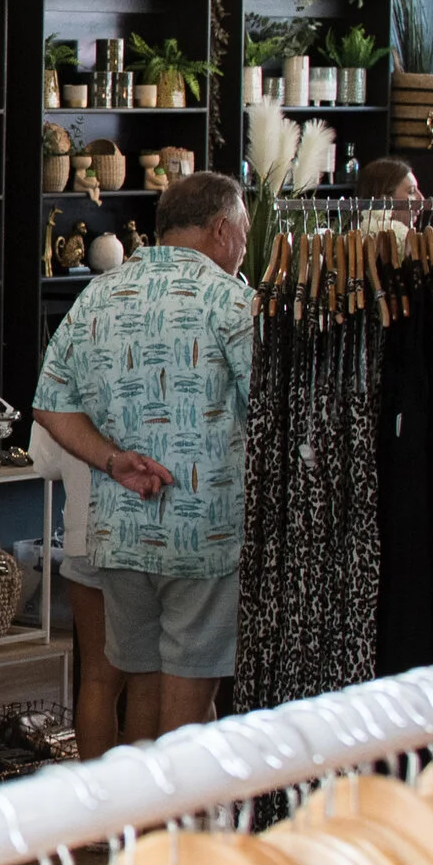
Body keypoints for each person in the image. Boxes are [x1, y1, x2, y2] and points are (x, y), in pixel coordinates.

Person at [31, 171, 252, 740]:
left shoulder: (98, 294)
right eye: (245, 232)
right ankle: (175, 826)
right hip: (202, 534)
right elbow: (273, 409)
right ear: (223, 229)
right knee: (188, 698)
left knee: (143, 688)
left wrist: (110, 460)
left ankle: (131, 826)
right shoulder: (233, 302)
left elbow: (49, 406)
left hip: (120, 531)